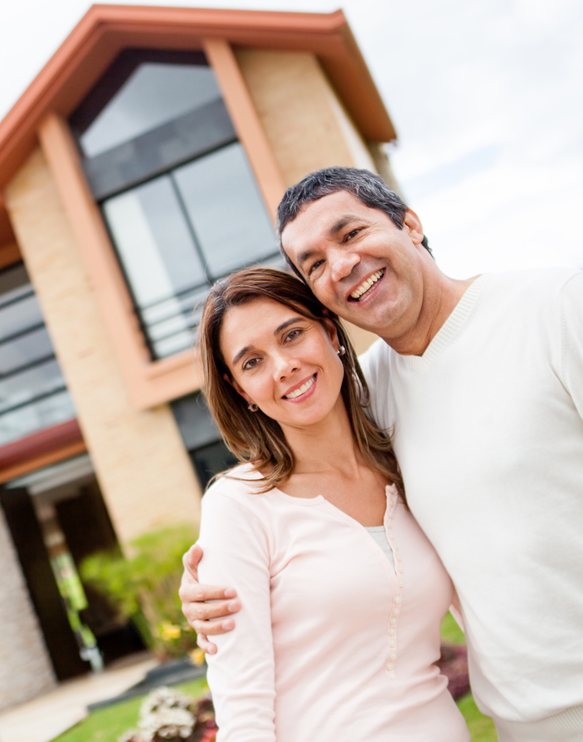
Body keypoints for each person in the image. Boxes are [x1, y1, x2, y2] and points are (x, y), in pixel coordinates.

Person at [180, 167, 583, 741]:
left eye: (350, 234)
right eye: (314, 263)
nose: (341, 265)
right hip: (524, 720)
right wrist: (214, 584)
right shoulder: (369, 397)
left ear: (411, 224)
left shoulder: (555, 308)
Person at [195, 267, 468, 741]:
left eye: (292, 334)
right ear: (240, 390)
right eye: (252, 362)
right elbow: (242, 706)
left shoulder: (408, 466)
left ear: (330, 330)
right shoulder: (238, 506)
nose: (283, 366)